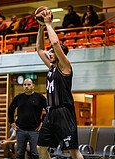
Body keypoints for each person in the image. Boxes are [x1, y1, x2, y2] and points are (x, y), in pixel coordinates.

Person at [36, 10, 84, 159]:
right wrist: (41, 27)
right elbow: (38, 49)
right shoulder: (51, 66)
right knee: (40, 147)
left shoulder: (65, 66)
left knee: (73, 151)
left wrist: (49, 23)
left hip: (64, 112)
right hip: (50, 113)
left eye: (51, 52)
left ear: (59, 54)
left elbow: (55, 42)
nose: (49, 53)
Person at [8, 78, 47, 159]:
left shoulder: (40, 97)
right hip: (21, 130)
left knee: (35, 153)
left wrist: (43, 122)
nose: (26, 86)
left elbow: (49, 110)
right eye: (24, 85)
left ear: (33, 86)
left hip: (35, 130)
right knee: (19, 153)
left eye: (29, 84)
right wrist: (11, 122)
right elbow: (10, 109)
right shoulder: (18, 97)